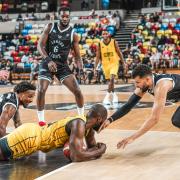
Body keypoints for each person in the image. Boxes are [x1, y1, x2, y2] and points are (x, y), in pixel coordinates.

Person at [99, 64, 180, 149]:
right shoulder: (145, 85)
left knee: (177, 119)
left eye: (138, 82)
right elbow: (128, 105)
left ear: (147, 79)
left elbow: (155, 118)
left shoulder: (161, 86)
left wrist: (132, 138)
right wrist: (110, 120)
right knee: (177, 120)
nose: (136, 85)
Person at [0, 104, 107, 162]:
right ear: (99, 120)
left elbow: (92, 148)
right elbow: (77, 156)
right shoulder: (79, 124)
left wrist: (96, 150)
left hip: (33, 135)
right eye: (104, 122)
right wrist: (100, 151)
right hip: (29, 138)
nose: (104, 125)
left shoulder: (88, 128)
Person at [37, 6, 84, 126]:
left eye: (67, 16)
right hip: (47, 62)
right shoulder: (50, 27)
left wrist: (80, 68)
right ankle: (41, 121)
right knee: (41, 90)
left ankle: (81, 116)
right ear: (59, 16)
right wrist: (48, 60)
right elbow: (40, 46)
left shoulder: (73, 34)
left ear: (69, 17)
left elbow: (77, 56)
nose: (64, 18)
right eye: (62, 16)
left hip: (62, 66)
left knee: (78, 91)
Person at [95, 30, 125, 105]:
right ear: (101, 35)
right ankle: (115, 95)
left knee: (112, 78)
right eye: (103, 33)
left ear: (109, 34)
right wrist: (95, 67)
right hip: (105, 64)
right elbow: (98, 56)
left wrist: (123, 62)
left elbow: (119, 52)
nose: (105, 34)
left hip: (114, 63)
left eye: (106, 33)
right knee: (110, 82)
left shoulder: (114, 42)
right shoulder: (99, 44)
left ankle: (107, 97)